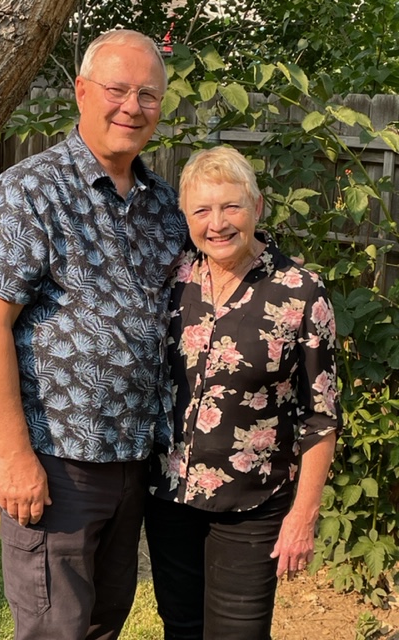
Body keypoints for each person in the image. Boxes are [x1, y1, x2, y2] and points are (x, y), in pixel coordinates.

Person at [0, 29, 187, 640]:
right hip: (56, 460)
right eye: (118, 89)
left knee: (102, 623)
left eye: (148, 94)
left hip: (133, 460)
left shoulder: (164, 205)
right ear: (82, 92)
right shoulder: (29, 191)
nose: (132, 107)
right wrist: (16, 458)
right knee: (53, 627)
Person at [145, 146, 342, 640]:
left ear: (257, 207)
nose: (217, 223)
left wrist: (303, 516)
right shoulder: (172, 280)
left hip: (253, 502)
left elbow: (321, 417)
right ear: (185, 216)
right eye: (201, 210)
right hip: (170, 497)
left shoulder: (301, 291)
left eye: (231, 206)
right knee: (180, 628)